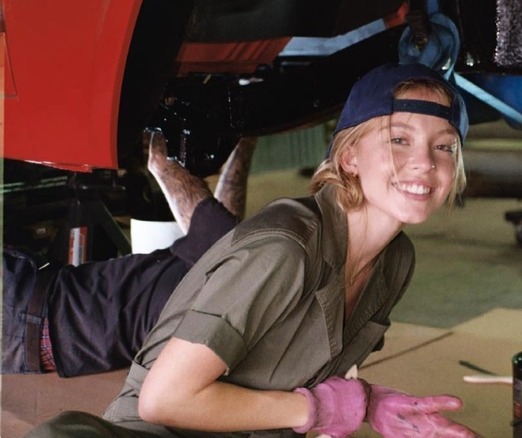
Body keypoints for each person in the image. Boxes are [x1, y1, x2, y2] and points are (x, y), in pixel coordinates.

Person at [24, 62, 477, 438]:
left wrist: (365, 402)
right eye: (400, 139)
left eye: (443, 146)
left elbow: (289, 369)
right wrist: (316, 410)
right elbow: (165, 399)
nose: (425, 162)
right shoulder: (285, 248)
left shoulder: (395, 261)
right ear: (349, 157)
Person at [2, 135, 256, 377]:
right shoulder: (209, 287)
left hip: (28, 321)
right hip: (32, 330)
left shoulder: (212, 287)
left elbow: (226, 238)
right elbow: (226, 238)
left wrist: (162, 160)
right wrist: (163, 164)